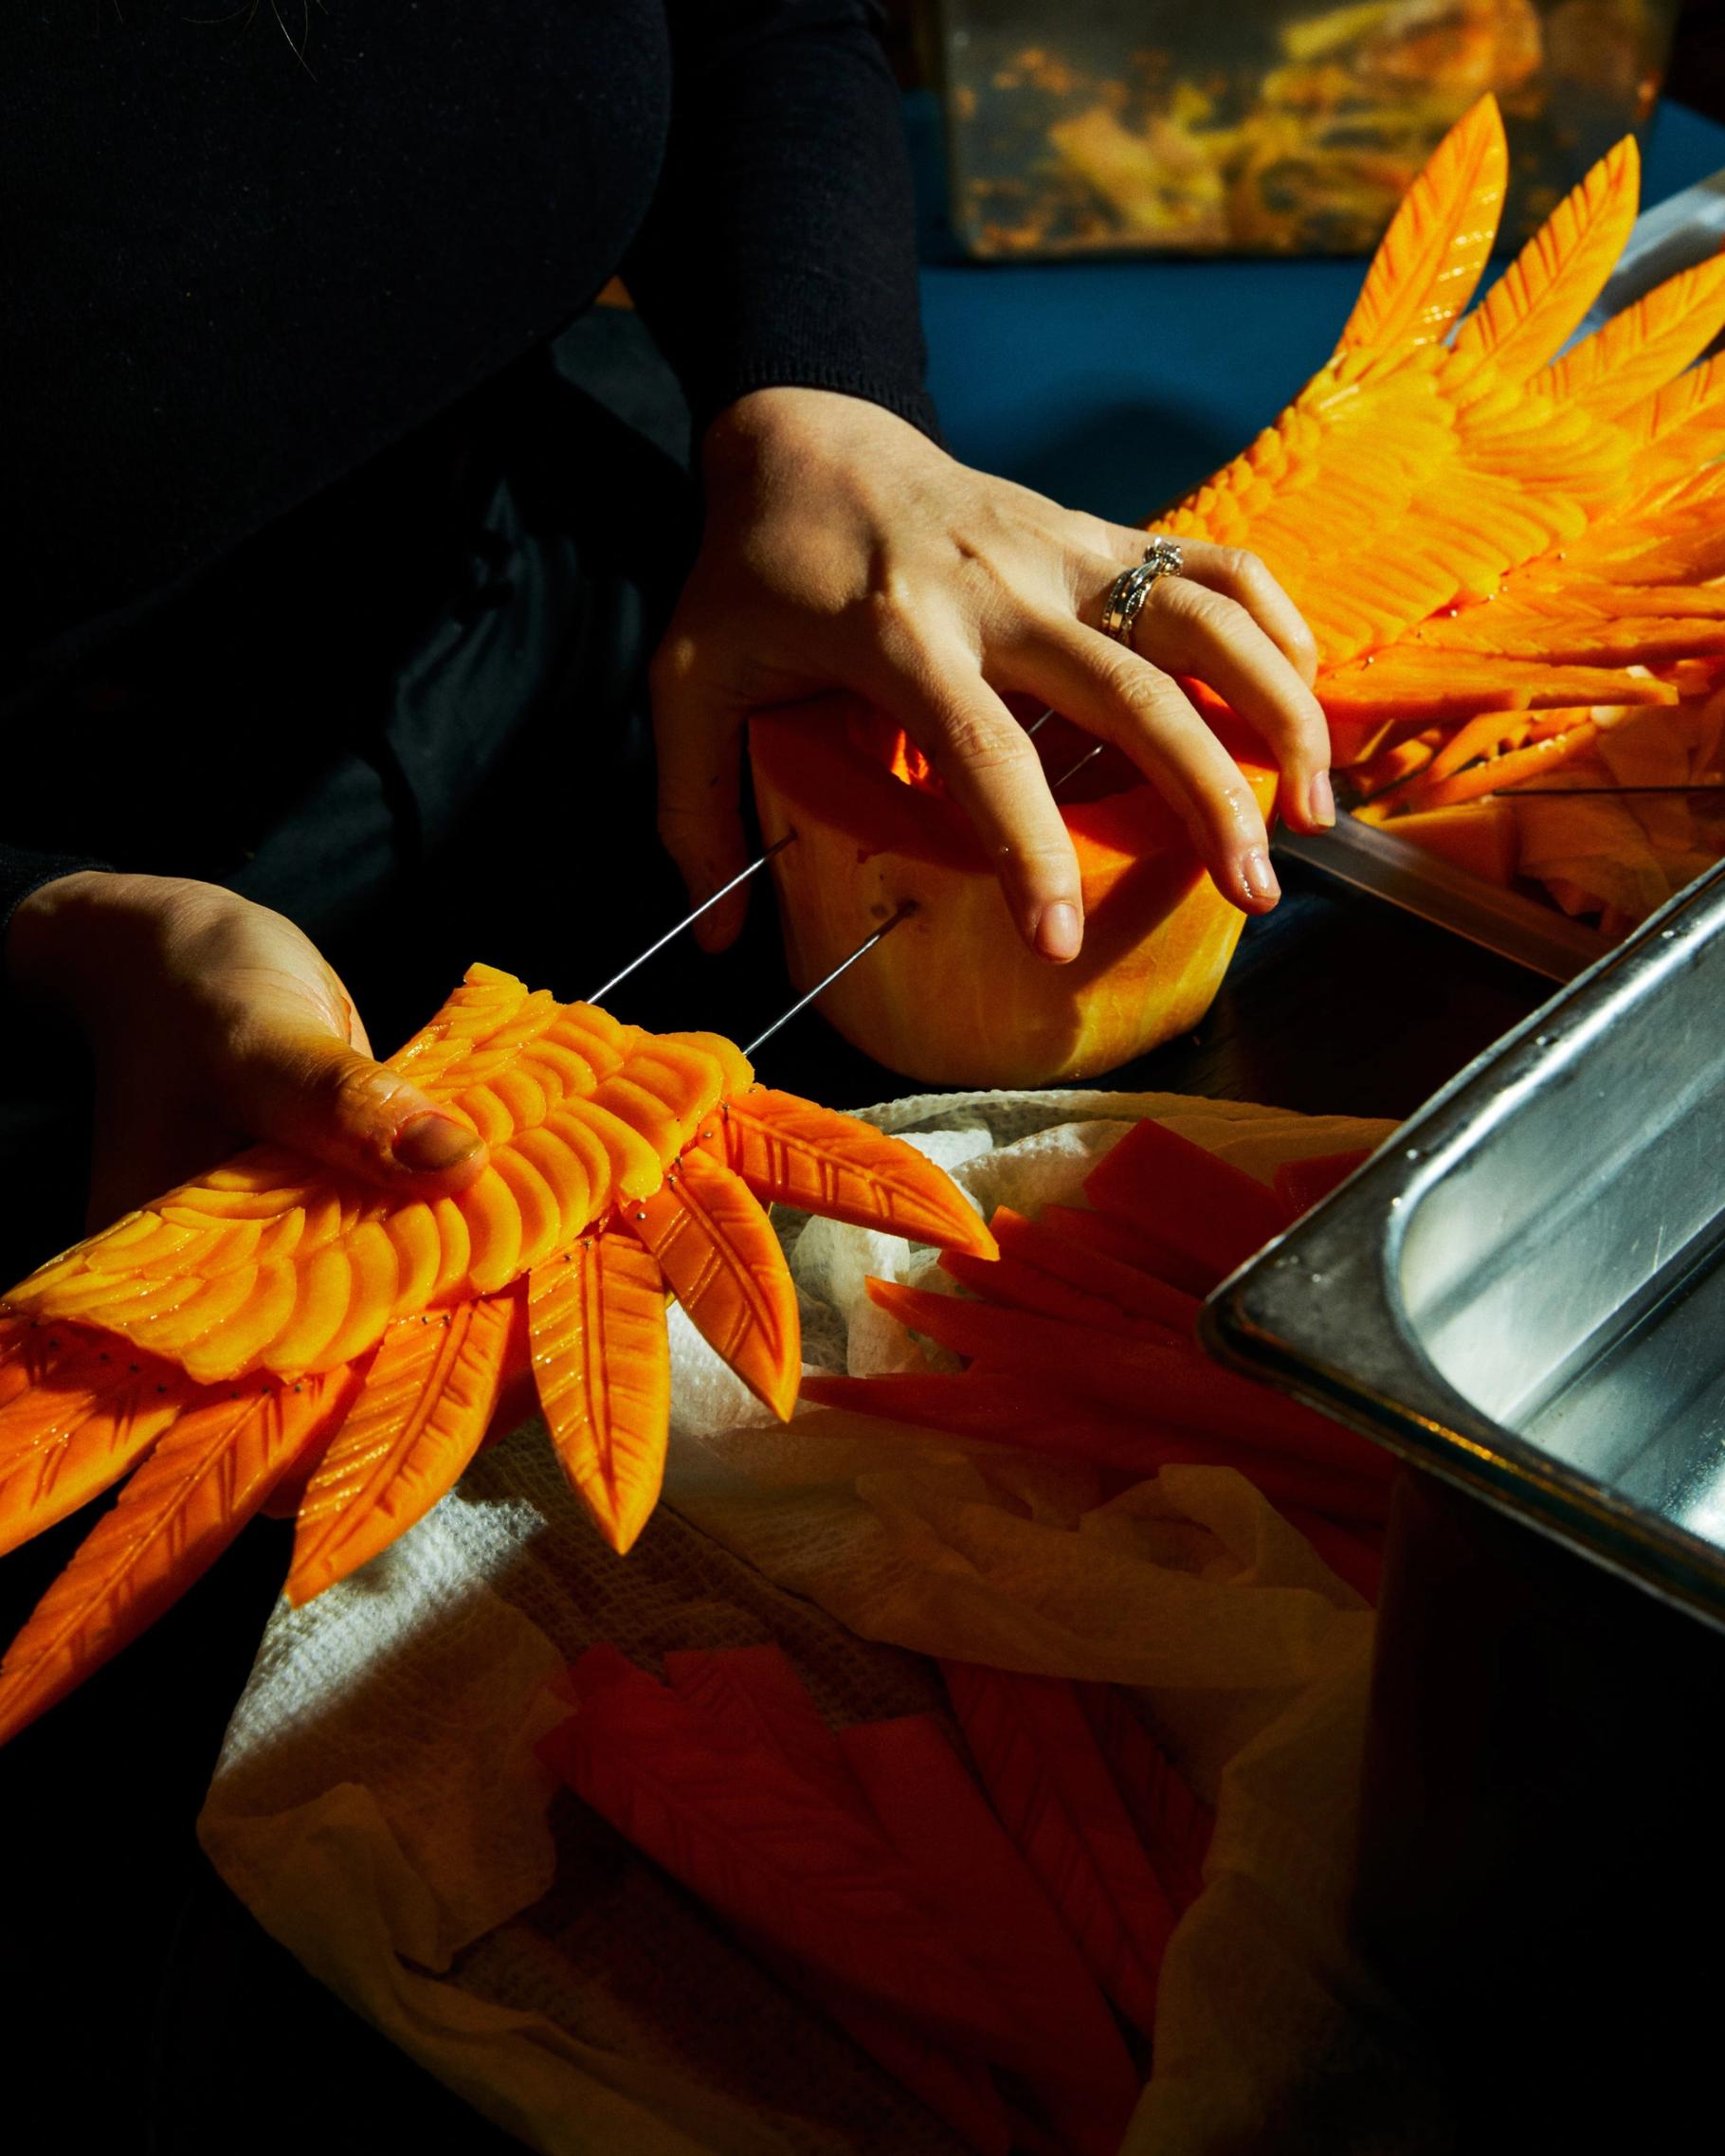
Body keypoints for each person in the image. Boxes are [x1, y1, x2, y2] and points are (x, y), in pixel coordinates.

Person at [1, 1, 1330, 1265]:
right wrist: (38, 913)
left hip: (613, 603)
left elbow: (757, 17)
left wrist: (821, 394)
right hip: (104, 952)